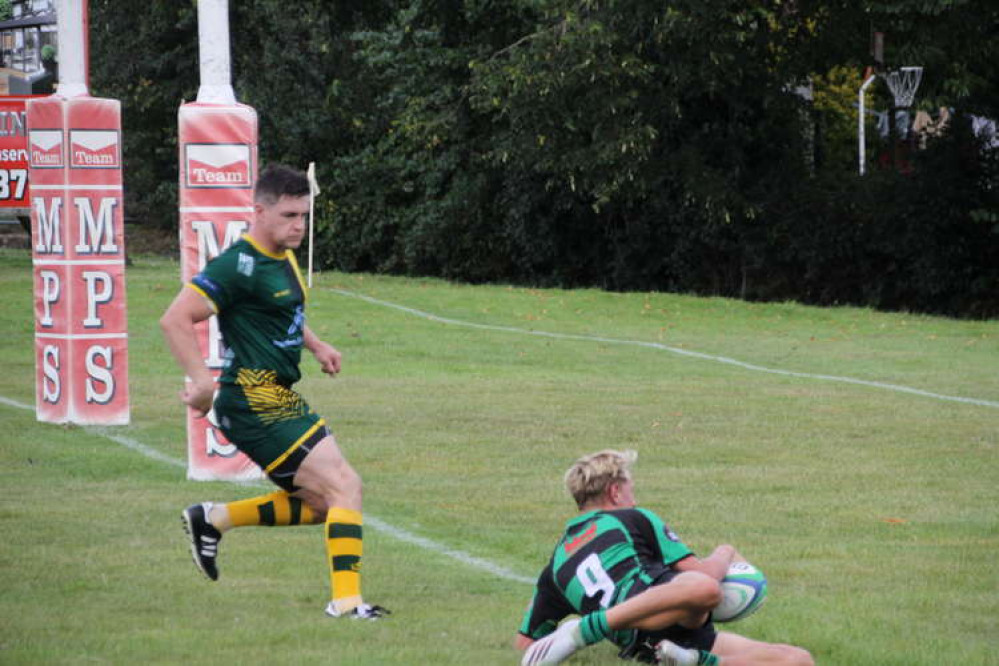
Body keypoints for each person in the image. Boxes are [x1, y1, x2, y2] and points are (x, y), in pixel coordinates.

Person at [160, 164, 387, 620]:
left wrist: (316, 343)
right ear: (258, 211)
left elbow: (280, 314)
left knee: (324, 504)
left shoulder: (284, 255)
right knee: (345, 485)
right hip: (254, 399)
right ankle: (346, 603)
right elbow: (174, 319)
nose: (298, 225)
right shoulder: (237, 265)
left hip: (276, 395)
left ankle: (215, 519)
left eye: (303, 215)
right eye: (288, 215)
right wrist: (203, 384)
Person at [516, 450, 813, 665]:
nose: (635, 498)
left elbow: (527, 643)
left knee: (799, 660)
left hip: (660, 642)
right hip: (653, 616)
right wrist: (726, 551)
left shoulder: (553, 568)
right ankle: (587, 629)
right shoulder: (631, 518)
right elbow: (705, 576)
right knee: (704, 588)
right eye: (632, 491)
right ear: (615, 492)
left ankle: (693, 661)